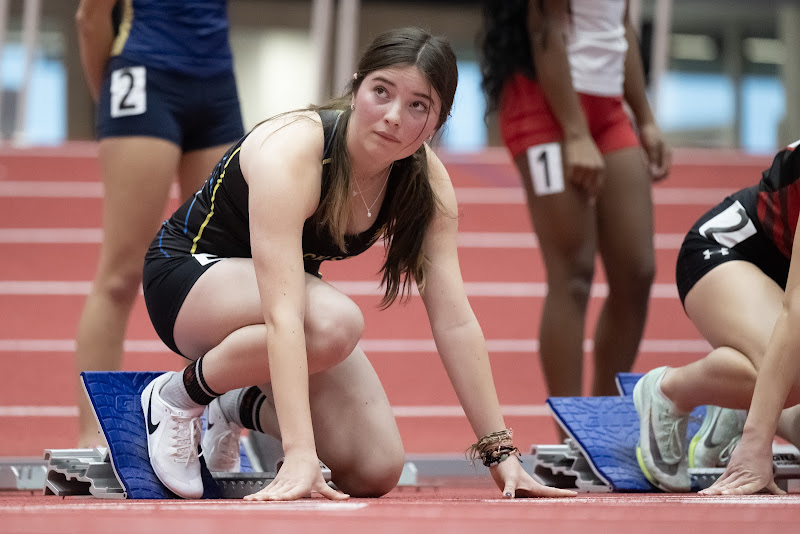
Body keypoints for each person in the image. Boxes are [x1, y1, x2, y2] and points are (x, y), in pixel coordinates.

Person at [137, 27, 578, 501]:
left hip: (281, 311)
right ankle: (177, 397)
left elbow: (454, 320)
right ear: (356, 86)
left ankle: (233, 403)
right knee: (334, 324)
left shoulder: (426, 184)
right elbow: (285, 311)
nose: (392, 117)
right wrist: (300, 453)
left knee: (375, 467)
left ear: (438, 122)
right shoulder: (293, 150)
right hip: (190, 278)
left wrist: (501, 453)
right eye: (381, 92)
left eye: (417, 106)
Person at [479, 0, 671, 410]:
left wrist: (647, 118)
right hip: (544, 102)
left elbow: (620, 28)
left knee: (637, 272)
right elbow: (544, 27)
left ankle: (600, 418)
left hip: (608, 108)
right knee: (573, 273)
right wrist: (576, 132)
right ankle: (571, 432)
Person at [74, 0, 244, 447]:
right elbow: (90, 18)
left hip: (217, 84)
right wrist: (110, 99)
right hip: (144, 75)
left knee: (223, 272)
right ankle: (95, 433)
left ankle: (219, 424)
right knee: (120, 274)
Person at [633, 139, 800, 493]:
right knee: (794, 373)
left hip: (782, 273)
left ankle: (736, 405)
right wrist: (757, 444)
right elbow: (795, 309)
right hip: (724, 253)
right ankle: (669, 391)